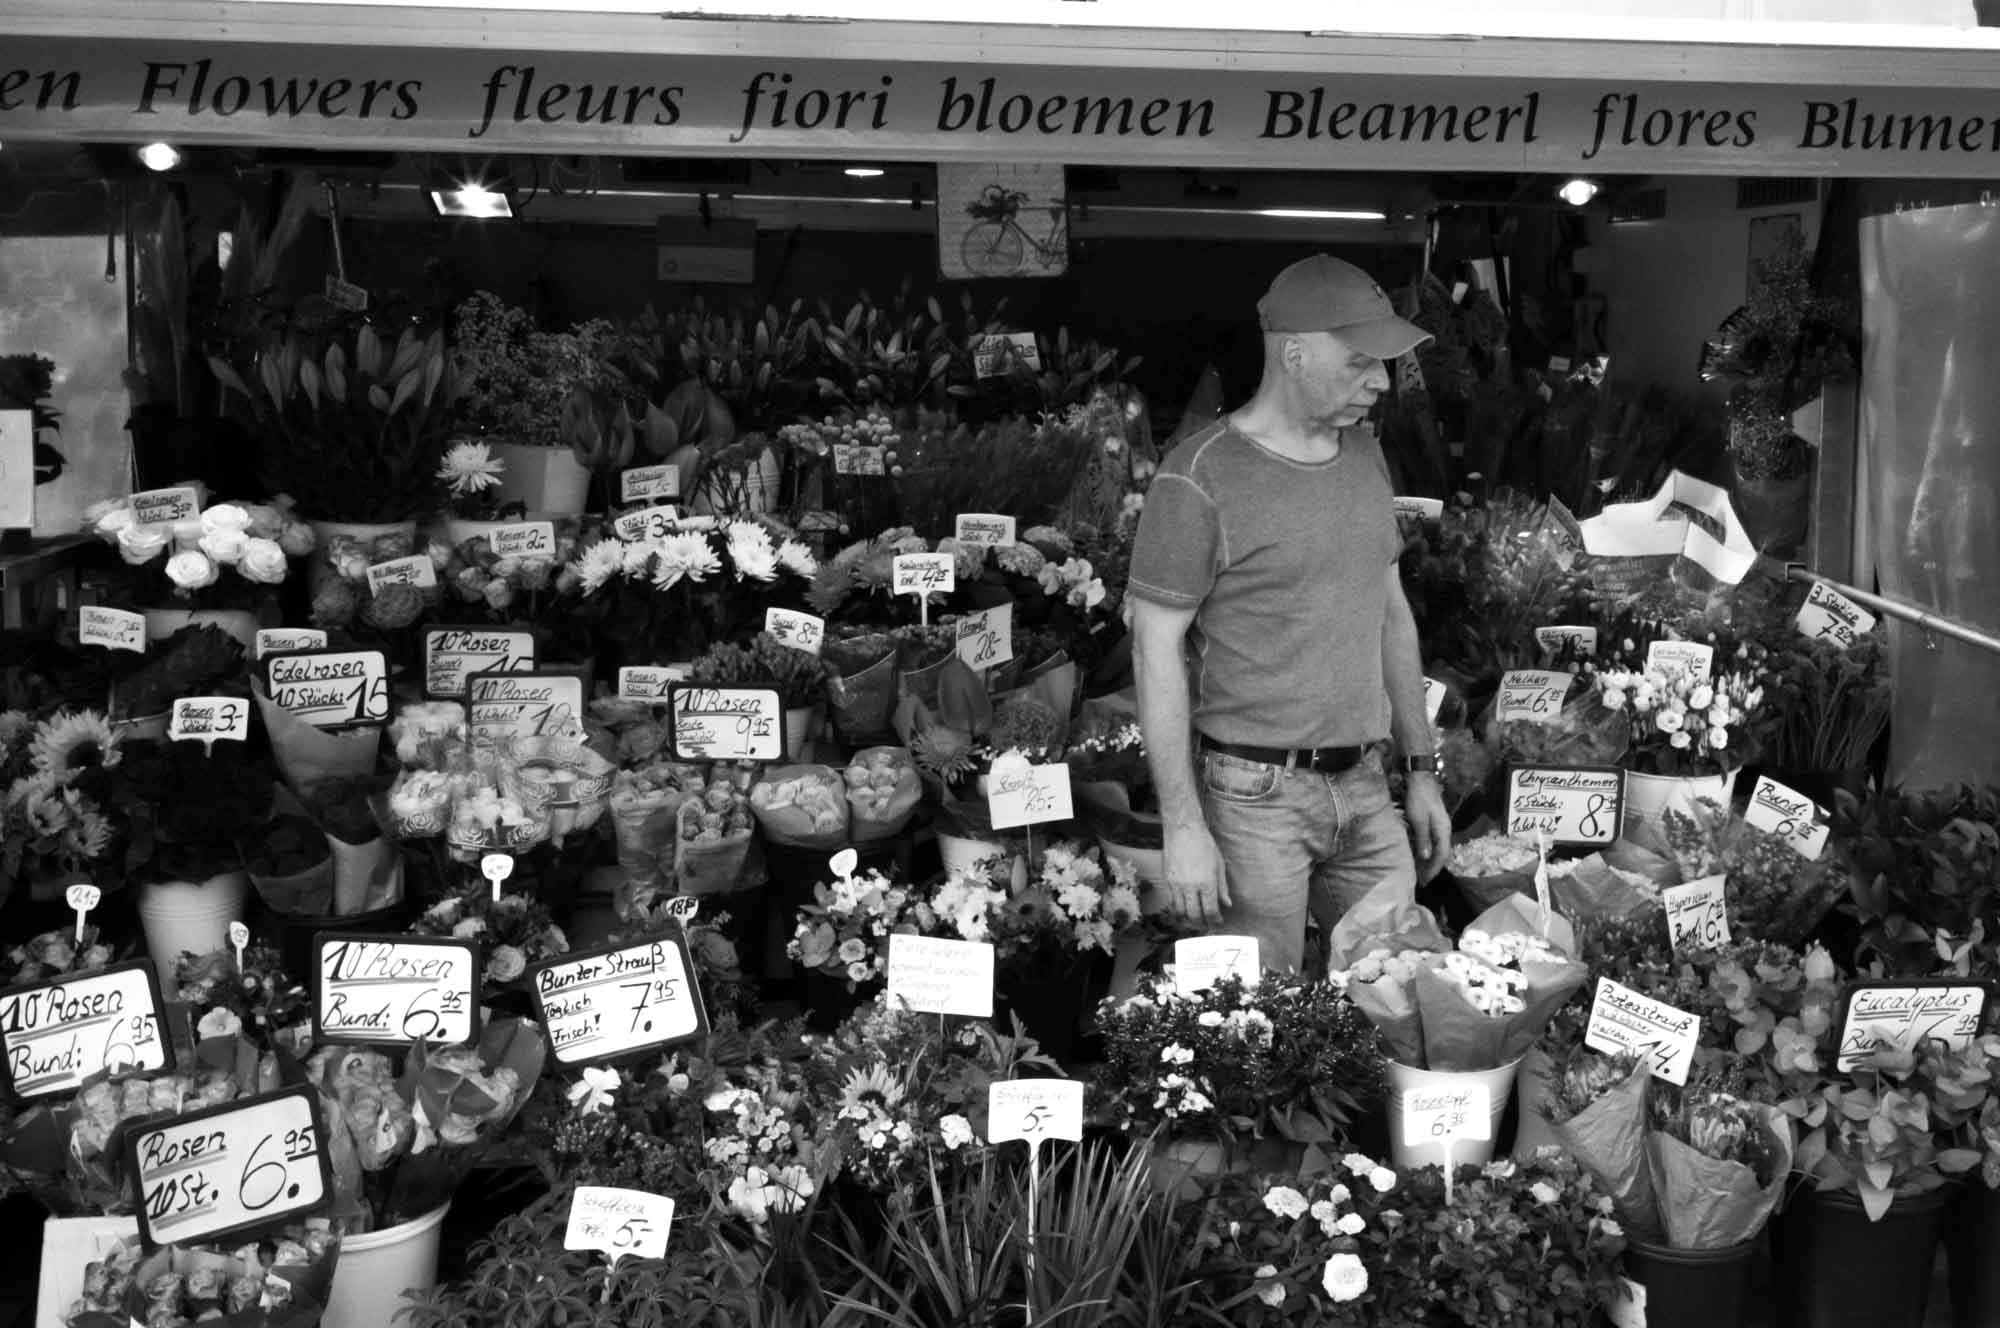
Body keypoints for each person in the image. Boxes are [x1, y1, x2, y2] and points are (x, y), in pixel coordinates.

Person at [1126, 254, 1450, 974]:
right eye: (1362, 360)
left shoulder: (1366, 454)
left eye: (1385, 363)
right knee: (1258, 1023)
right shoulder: (1198, 476)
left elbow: (1391, 614)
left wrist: (1421, 768)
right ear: (1294, 354)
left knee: (1401, 999)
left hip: (1366, 788)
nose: (1382, 381)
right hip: (1252, 801)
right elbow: (1155, 652)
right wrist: (1182, 827)